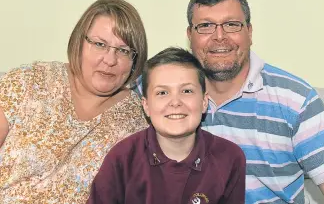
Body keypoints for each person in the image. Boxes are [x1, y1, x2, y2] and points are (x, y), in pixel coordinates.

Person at [183, 0, 324, 204]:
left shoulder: (295, 99)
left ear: (249, 32)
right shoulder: (167, 96)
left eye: (231, 24)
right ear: (190, 35)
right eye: (206, 26)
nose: (219, 36)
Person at [0, 0, 149, 203]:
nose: (110, 60)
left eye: (123, 51)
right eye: (99, 44)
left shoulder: (138, 124)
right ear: (79, 43)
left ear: (134, 61)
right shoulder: (29, 82)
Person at [87, 47, 246, 204]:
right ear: (146, 106)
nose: (175, 102)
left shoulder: (230, 158)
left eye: (187, 91)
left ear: (204, 102)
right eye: (162, 93)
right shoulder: (121, 158)